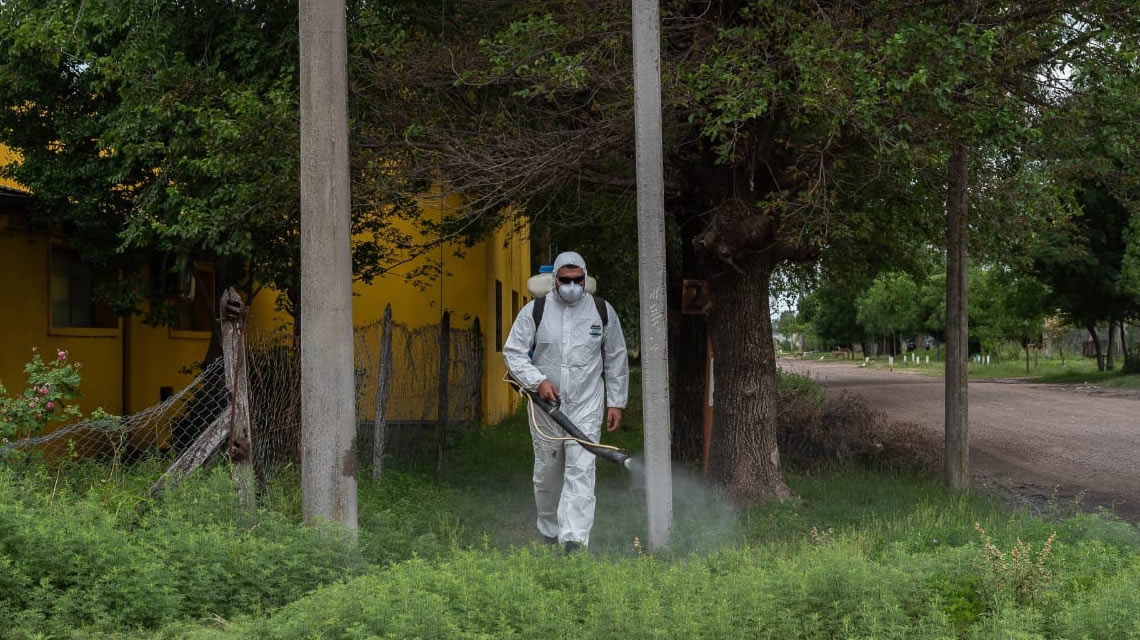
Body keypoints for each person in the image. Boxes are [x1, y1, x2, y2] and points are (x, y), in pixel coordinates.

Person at [503, 251, 629, 553]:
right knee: (548, 472)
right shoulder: (536, 311)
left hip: (586, 404)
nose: (572, 285)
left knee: (581, 470)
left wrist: (616, 402)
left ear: (585, 278)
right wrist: (538, 381)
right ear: (554, 281)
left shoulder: (601, 311)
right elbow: (513, 352)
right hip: (547, 410)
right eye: (565, 280)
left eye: (577, 280)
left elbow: (615, 357)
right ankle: (549, 531)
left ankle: (574, 542)